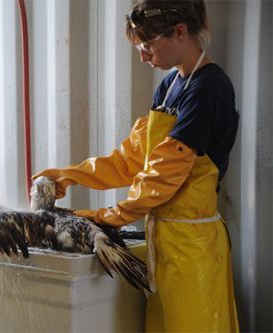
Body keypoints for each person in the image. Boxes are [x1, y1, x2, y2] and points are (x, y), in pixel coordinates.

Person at [33, 0, 239, 331]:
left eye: (148, 45)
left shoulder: (208, 89)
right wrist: (69, 175)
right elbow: (131, 160)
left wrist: (105, 218)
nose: (143, 55)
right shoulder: (170, 87)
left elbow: (163, 176)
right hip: (164, 239)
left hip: (193, 246)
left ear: (180, 32)